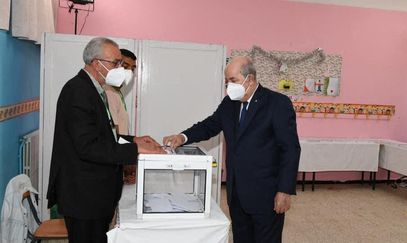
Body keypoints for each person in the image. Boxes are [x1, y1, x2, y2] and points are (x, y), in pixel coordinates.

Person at [163, 56, 301, 243]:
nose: (228, 86)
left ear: (250, 79)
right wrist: (183, 136)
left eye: (233, 80)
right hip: (236, 192)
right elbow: (209, 125)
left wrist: (284, 190)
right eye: (226, 81)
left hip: (266, 193)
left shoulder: (277, 103)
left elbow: (290, 149)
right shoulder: (230, 103)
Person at [47, 37, 164, 243]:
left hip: (95, 194)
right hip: (83, 196)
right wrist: (135, 150)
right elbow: (88, 147)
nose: (121, 68)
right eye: (116, 63)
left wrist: (133, 139)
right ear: (96, 63)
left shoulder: (94, 89)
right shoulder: (78, 91)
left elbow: (104, 134)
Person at [104, 48, 137, 184]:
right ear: (115, 66)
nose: (129, 72)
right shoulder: (108, 92)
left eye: (132, 68)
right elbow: (113, 130)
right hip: (114, 157)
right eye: (125, 66)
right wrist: (127, 162)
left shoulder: (116, 91)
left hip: (117, 156)